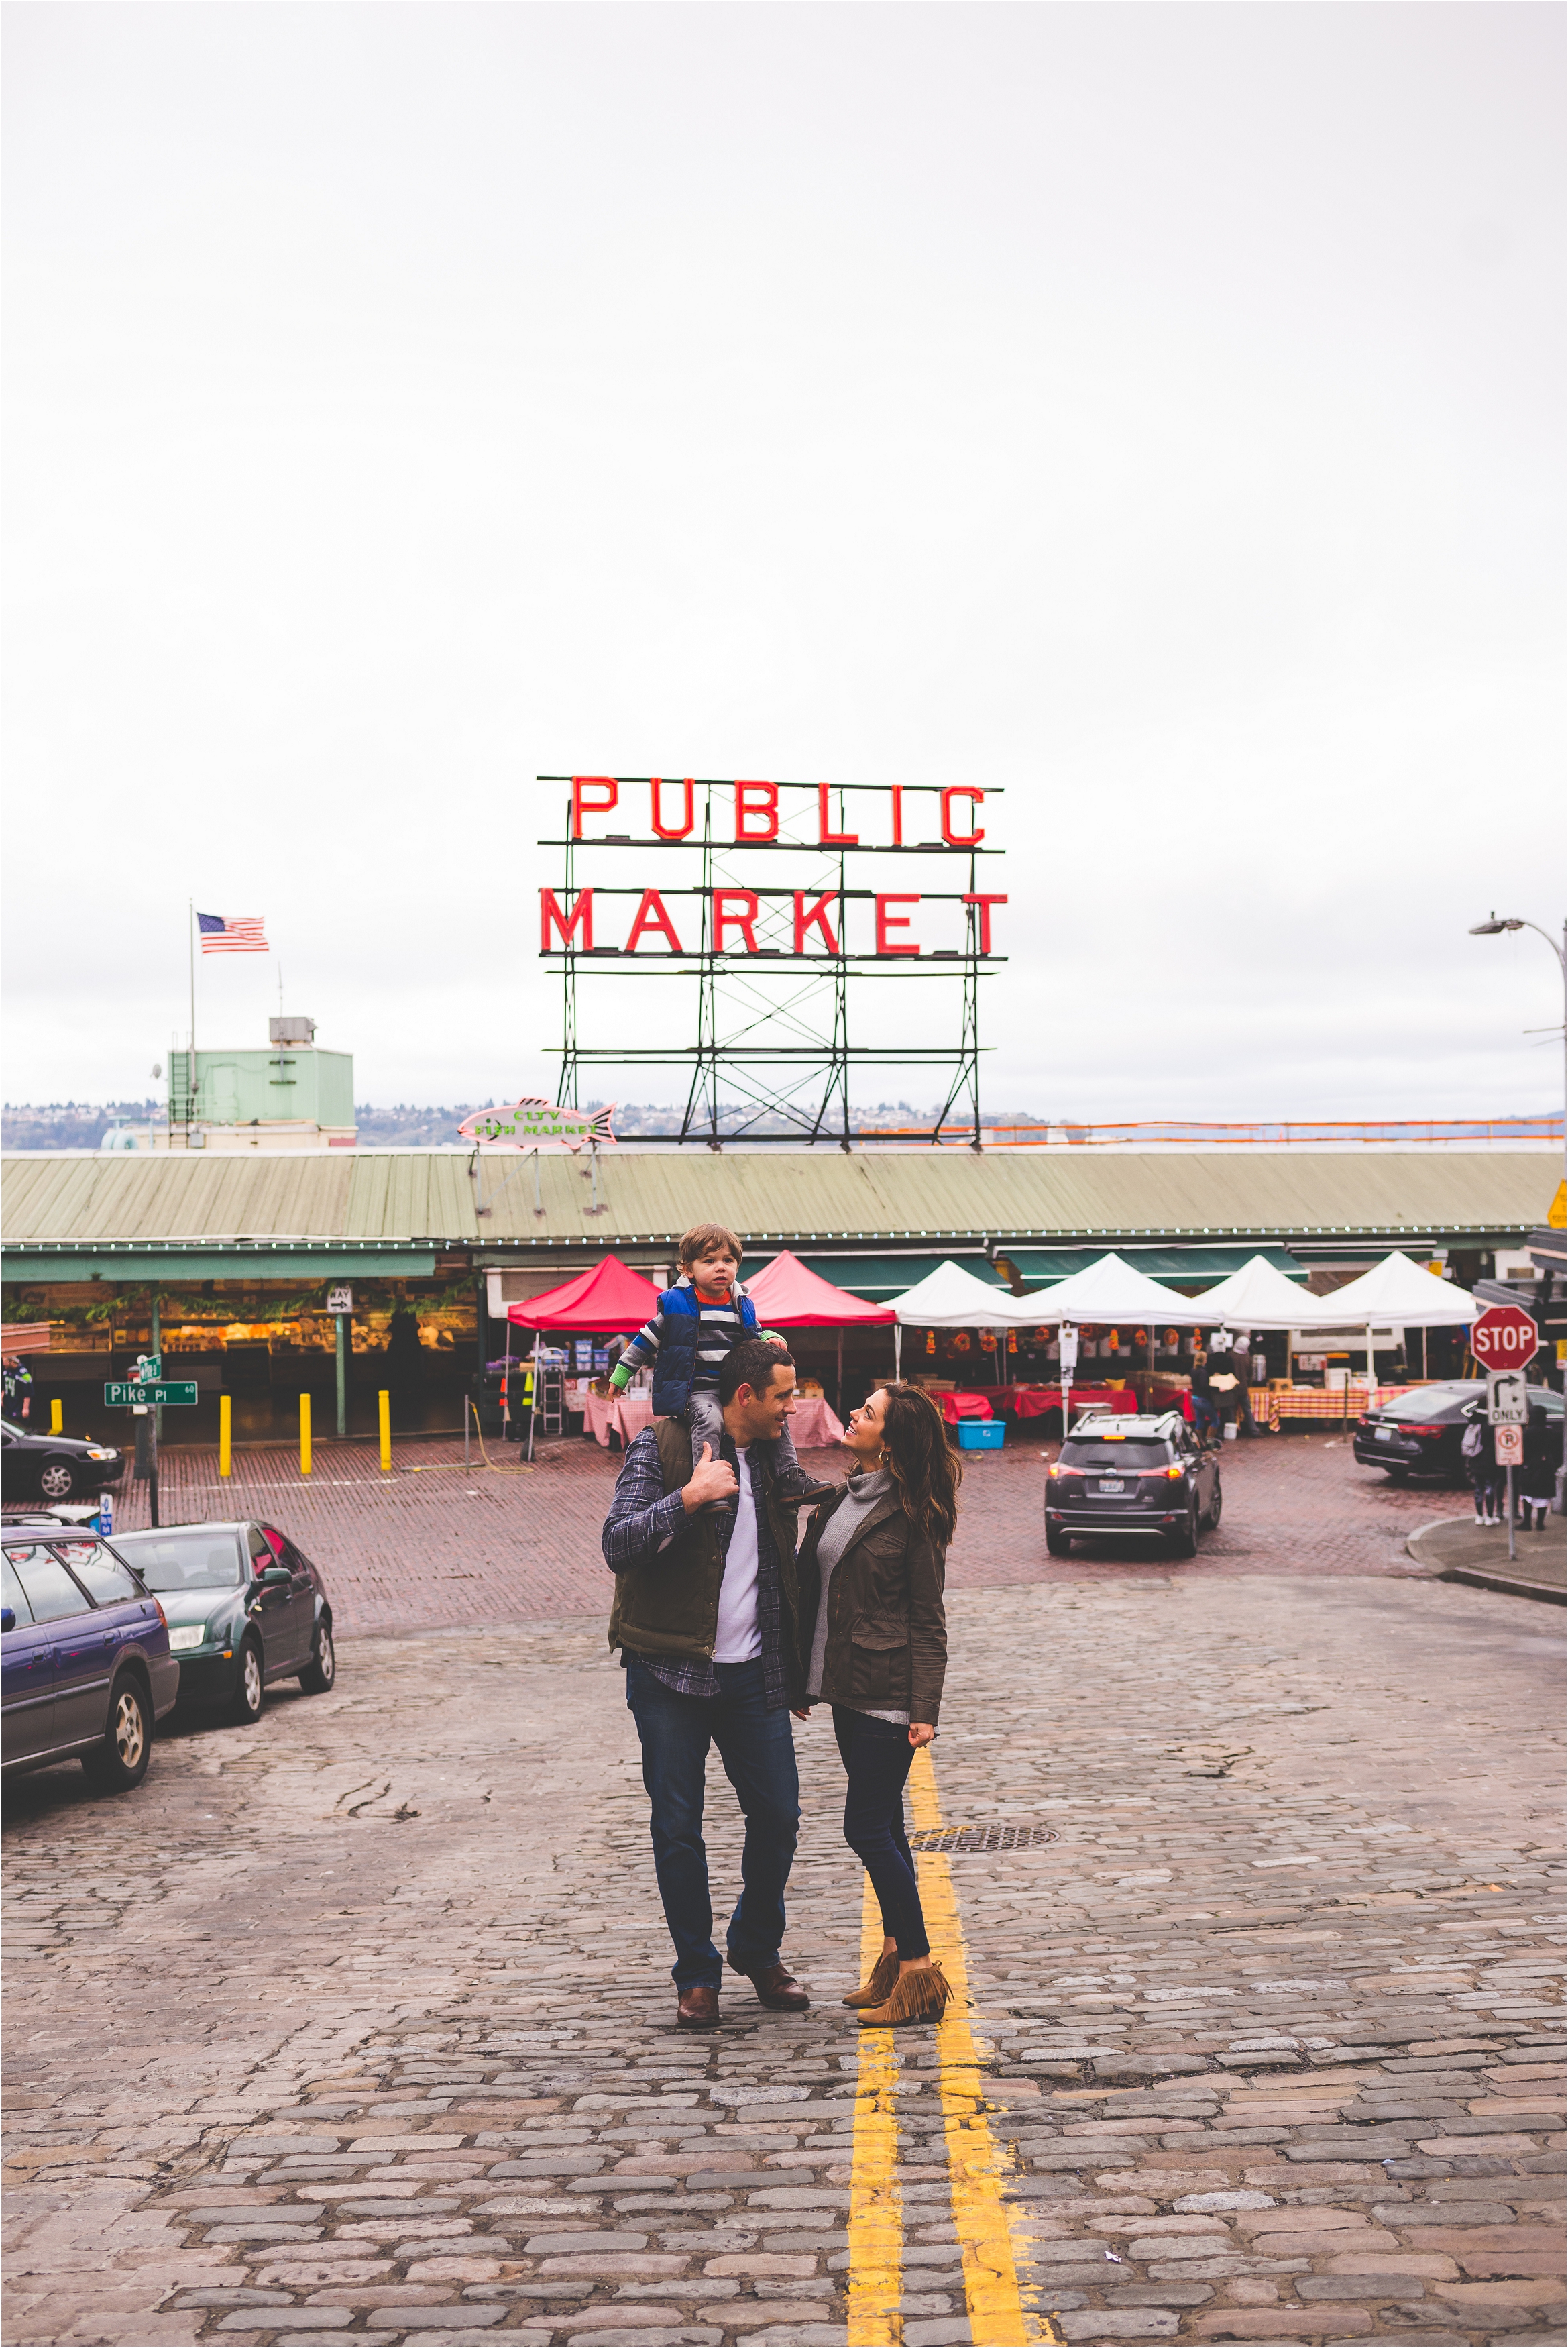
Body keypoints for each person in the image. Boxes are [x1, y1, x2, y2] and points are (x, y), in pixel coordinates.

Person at [602, 1336, 813, 2027]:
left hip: (753, 1673)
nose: (795, 1406)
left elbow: (785, 1569)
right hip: (669, 1671)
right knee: (677, 1826)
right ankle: (696, 1973)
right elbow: (617, 1543)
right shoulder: (663, 1444)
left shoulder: (777, 1464)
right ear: (745, 1395)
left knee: (778, 1814)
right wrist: (688, 1498)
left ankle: (755, 1945)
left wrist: (799, 1671)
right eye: (784, 1395)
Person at [795, 1382, 956, 2029]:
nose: (854, 1414)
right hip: (845, 1686)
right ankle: (891, 1962)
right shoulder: (840, 1498)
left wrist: (926, 1706)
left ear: (888, 1440)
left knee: (864, 1829)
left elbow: (929, 1620)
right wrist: (802, 1681)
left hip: (889, 1693)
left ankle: (917, 1968)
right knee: (887, 1826)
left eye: (867, 1413)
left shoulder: (914, 1514)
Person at [610, 1223, 835, 1506]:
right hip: (697, 1390)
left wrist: (771, 1337)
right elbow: (645, 1340)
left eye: (728, 1260)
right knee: (710, 1419)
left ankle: (789, 1478)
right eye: (709, 1261)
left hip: (734, 1388)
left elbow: (755, 1332)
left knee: (774, 1412)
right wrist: (622, 1374)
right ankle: (707, 1483)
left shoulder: (740, 1303)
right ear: (687, 1270)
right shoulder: (675, 1304)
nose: (721, 1267)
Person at [1461, 1407, 1502, 1526]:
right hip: (1490, 1462)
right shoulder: (1492, 1422)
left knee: (1479, 1489)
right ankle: (1490, 1516)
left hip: (1476, 1460)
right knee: (1490, 1488)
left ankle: (1479, 1516)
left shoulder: (1474, 1421)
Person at [2, 1353, 33, 1422]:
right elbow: (4, 1387)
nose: (4, 1364)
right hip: (9, 1406)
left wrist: (25, 1408)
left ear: (12, 1362)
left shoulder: (24, 1374)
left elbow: (28, 1393)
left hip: (18, 1406)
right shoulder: (6, 1371)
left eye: (6, 1362)